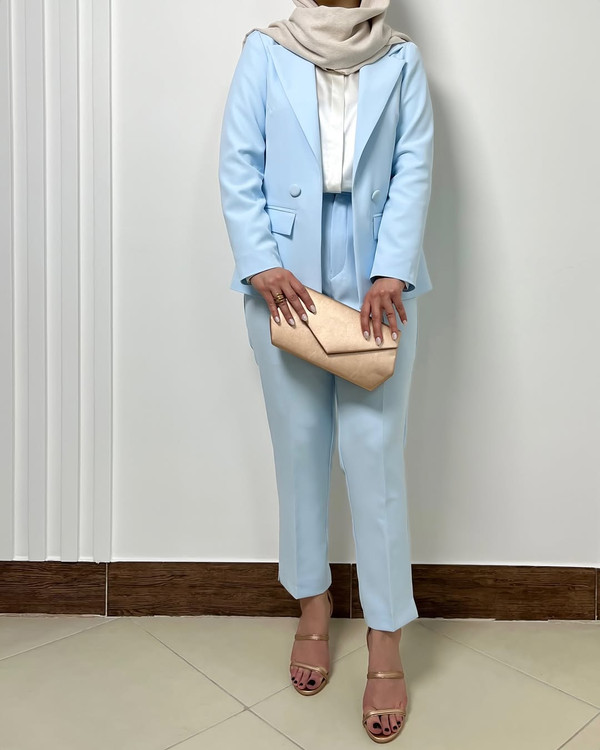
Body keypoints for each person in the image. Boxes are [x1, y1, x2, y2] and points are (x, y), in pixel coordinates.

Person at [218, 0, 434, 741]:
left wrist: (392, 269)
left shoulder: (401, 58)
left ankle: (385, 637)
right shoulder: (265, 50)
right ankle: (313, 606)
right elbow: (239, 161)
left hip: (378, 279)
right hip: (284, 276)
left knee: (375, 456)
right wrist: (259, 261)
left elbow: (413, 166)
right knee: (300, 449)